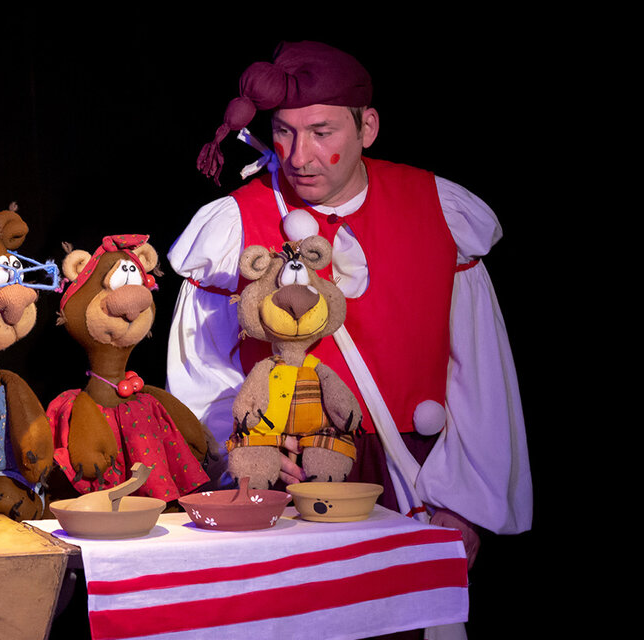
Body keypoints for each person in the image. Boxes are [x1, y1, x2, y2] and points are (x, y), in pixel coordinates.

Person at [166, 41, 532, 569]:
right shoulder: (232, 224)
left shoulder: (436, 209)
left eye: (322, 132)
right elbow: (200, 372)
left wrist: (466, 504)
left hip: (418, 480)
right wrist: (247, 454)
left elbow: (480, 373)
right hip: (289, 483)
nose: (298, 156)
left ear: (367, 128)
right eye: (284, 131)